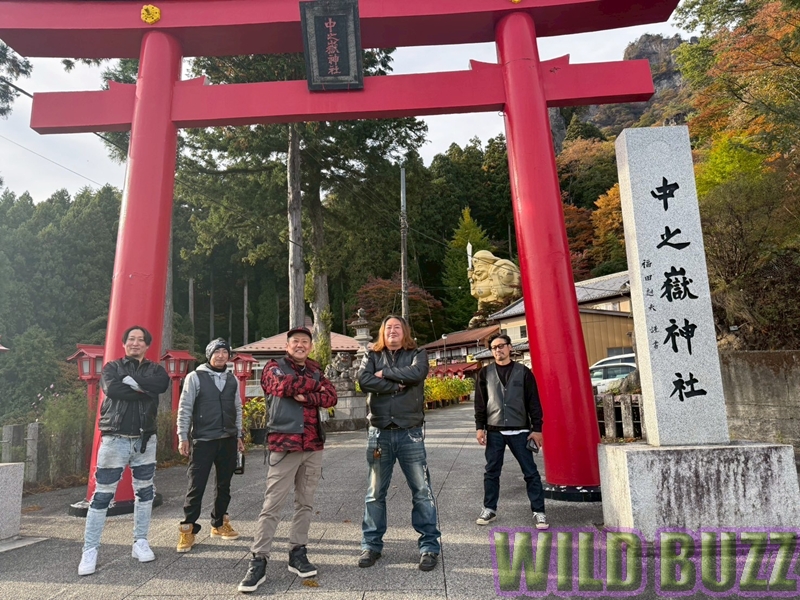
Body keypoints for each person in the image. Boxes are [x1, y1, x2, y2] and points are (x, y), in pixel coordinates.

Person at [238, 326, 337, 594]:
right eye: (296, 341)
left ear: (311, 346)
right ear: (287, 345)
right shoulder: (273, 367)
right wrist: (315, 388)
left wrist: (308, 394)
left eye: (305, 341)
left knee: (305, 503)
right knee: (272, 505)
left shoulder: (316, 369)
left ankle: (298, 551)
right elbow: (282, 386)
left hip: (313, 445)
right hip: (284, 445)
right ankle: (258, 559)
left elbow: (331, 397)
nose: (300, 345)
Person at [78, 325, 170, 576]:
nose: (135, 343)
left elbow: (161, 385)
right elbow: (113, 389)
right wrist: (143, 390)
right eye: (131, 339)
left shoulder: (156, 370)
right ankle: (90, 549)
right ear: (124, 343)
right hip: (114, 438)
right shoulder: (112, 368)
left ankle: (140, 541)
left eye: (141, 340)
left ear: (147, 345)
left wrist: (131, 384)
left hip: (145, 439)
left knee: (145, 492)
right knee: (102, 495)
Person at [357, 315, 441, 572]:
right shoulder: (372, 355)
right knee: (374, 493)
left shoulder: (418, 353)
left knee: (422, 491)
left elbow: (417, 373)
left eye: (397, 327)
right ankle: (371, 545)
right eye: (388, 328)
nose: (392, 331)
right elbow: (364, 380)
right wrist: (396, 386)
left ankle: (429, 546)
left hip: (410, 432)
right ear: (382, 333)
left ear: (405, 331)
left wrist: (385, 373)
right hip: (379, 433)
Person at [175, 338, 245, 553]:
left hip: (228, 439)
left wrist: (239, 434)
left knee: (224, 485)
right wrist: (182, 436)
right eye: (217, 352)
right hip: (203, 440)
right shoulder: (195, 377)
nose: (221, 356)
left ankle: (219, 523)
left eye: (225, 352)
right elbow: (185, 407)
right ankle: (188, 528)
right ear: (209, 354)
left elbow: (238, 408)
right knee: (196, 486)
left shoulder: (232, 379)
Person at [474, 333, 548, 529]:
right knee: (491, 472)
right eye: (494, 347)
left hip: (520, 430)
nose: (498, 350)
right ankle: (489, 509)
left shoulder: (523, 372)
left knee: (530, 472)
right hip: (494, 430)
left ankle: (539, 511)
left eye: (501, 346)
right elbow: (480, 403)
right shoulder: (485, 373)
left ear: (509, 347)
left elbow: (534, 402)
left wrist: (537, 429)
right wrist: (480, 428)